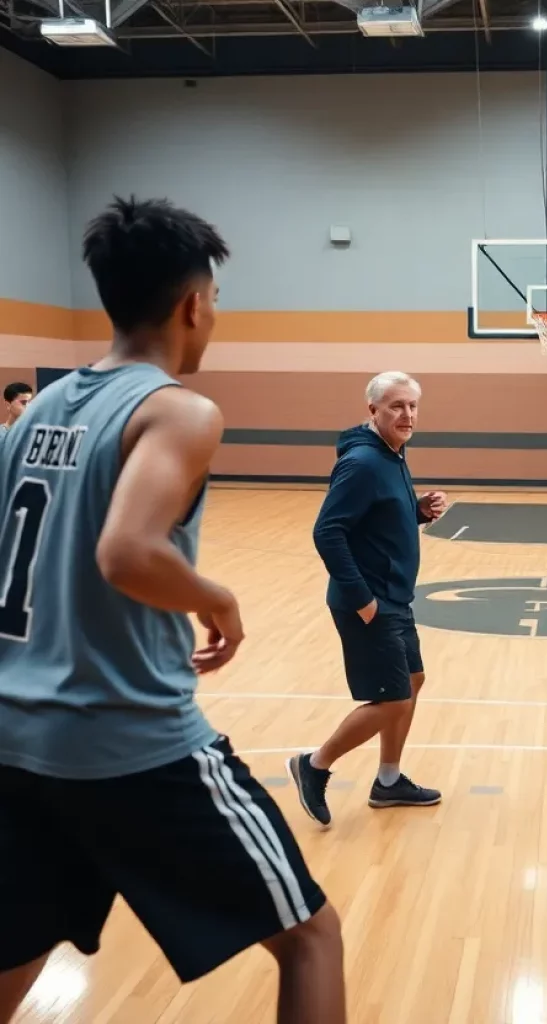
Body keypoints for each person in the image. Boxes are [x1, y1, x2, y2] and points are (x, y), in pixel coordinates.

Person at [0, 196, 346, 1024]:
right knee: (311, 937)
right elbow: (126, 552)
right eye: (216, 300)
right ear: (194, 303)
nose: (215, 316)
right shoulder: (178, 409)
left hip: (15, 739)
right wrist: (219, 599)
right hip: (129, 740)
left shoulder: (35, 410)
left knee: (13, 949)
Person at [287, 371, 447, 828]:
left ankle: (389, 781)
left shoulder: (391, 453)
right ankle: (313, 765)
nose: (408, 414)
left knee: (412, 681)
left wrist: (416, 511)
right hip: (369, 602)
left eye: (413, 406)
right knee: (393, 699)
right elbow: (328, 532)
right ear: (373, 410)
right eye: (397, 406)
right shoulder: (362, 463)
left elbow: (375, 517)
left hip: (394, 596)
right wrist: (363, 601)